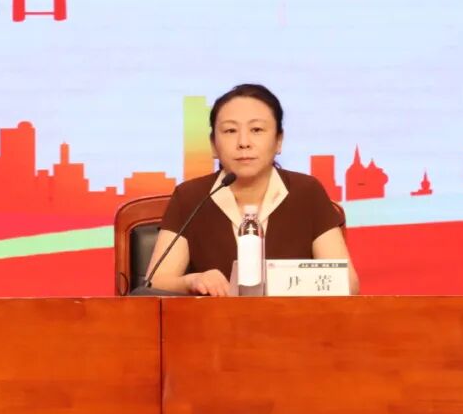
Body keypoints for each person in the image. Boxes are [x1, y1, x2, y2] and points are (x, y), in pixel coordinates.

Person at [146, 84, 359, 296]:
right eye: (230, 131)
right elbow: (154, 283)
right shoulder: (191, 197)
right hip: (214, 318)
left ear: (278, 141)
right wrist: (193, 280)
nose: (243, 143)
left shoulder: (306, 193)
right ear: (213, 145)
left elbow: (347, 284)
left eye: (256, 130)